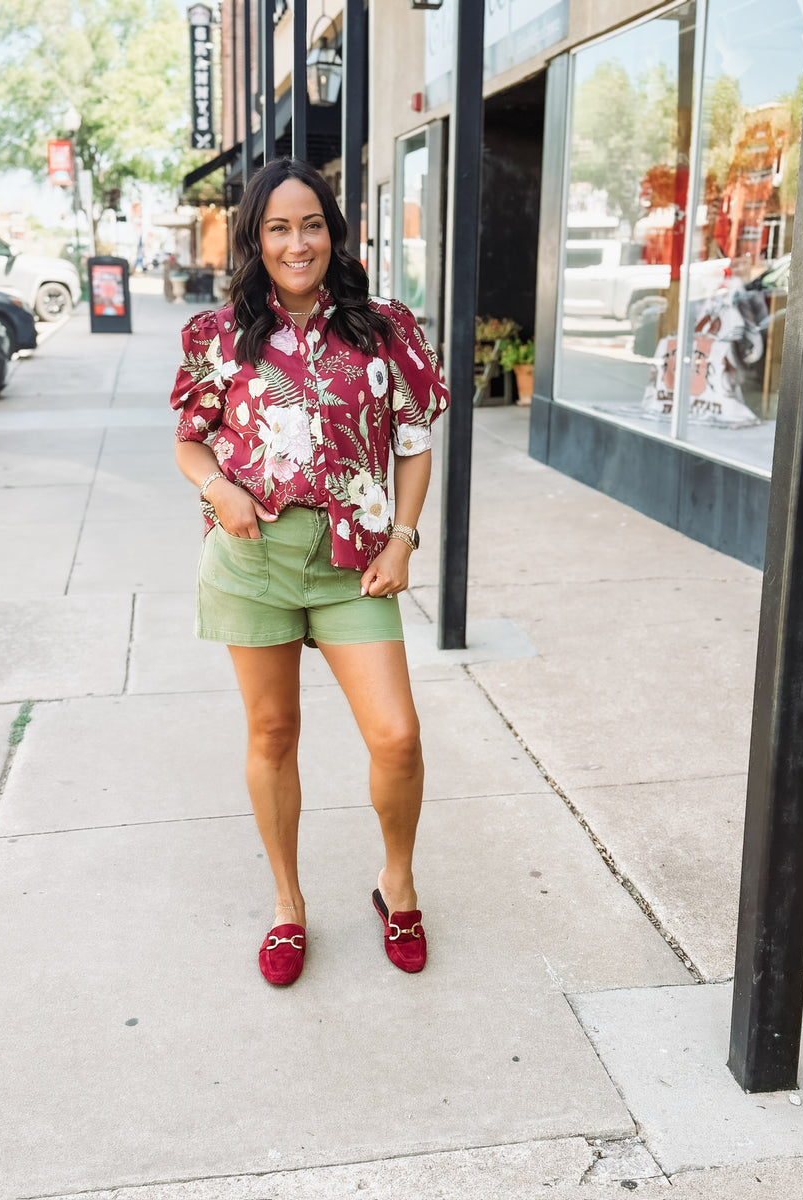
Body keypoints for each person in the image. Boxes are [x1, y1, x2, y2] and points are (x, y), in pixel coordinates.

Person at [169, 157, 450, 986]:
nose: (299, 242)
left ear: (334, 230)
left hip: (353, 565)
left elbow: (414, 441)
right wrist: (220, 489)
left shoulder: (384, 326)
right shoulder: (216, 337)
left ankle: (395, 881)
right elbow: (190, 441)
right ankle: (288, 906)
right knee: (273, 733)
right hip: (253, 562)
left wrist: (402, 538)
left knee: (397, 737)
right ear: (257, 239)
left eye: (313, 223)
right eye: (280, 227)